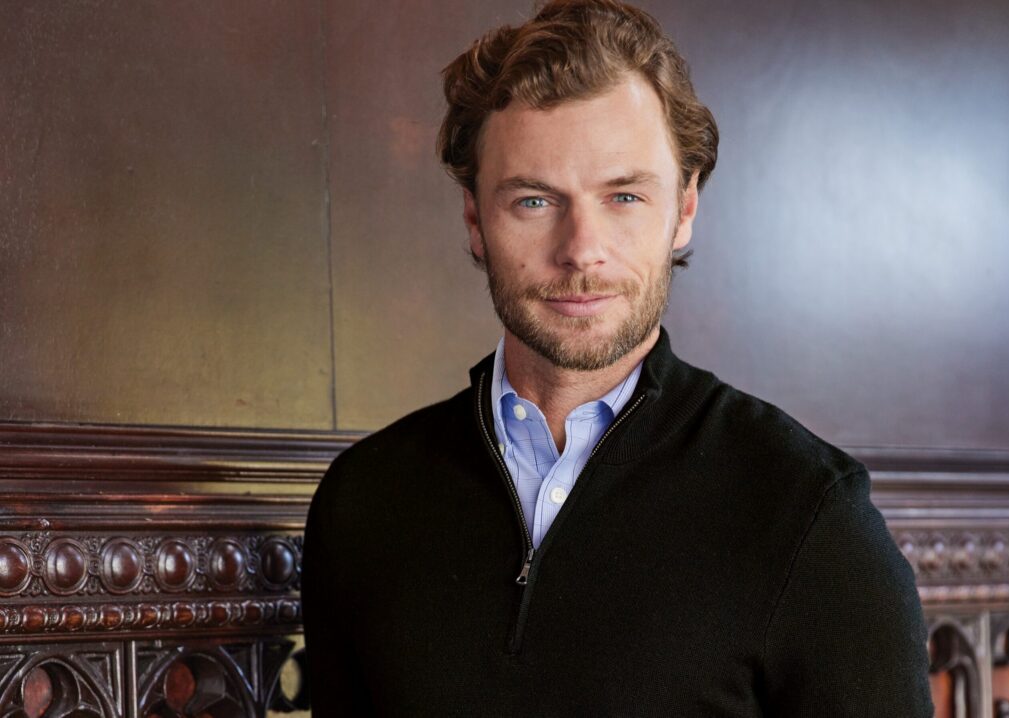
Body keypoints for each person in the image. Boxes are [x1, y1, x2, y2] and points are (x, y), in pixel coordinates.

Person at [302, 0, 933, 714]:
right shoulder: (364, 501)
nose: (582, 249)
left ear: (684, 209)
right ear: (475, 219)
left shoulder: (810, 516)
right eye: (535, 201)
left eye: (624, 196)